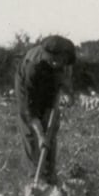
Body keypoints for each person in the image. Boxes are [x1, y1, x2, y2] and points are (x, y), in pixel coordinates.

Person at [15, 35, 76, 185]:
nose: (57, 63)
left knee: (51, 129)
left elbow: (65, 76)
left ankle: (49, 175)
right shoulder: (32, 67)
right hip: (29, 86)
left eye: (59, 61)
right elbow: (30, 110)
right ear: (46, 56)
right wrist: (41, 135)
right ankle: (34, 178)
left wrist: (68, 93)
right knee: (31, 134)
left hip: (50, 82)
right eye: (53, 60)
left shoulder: (66, 58)